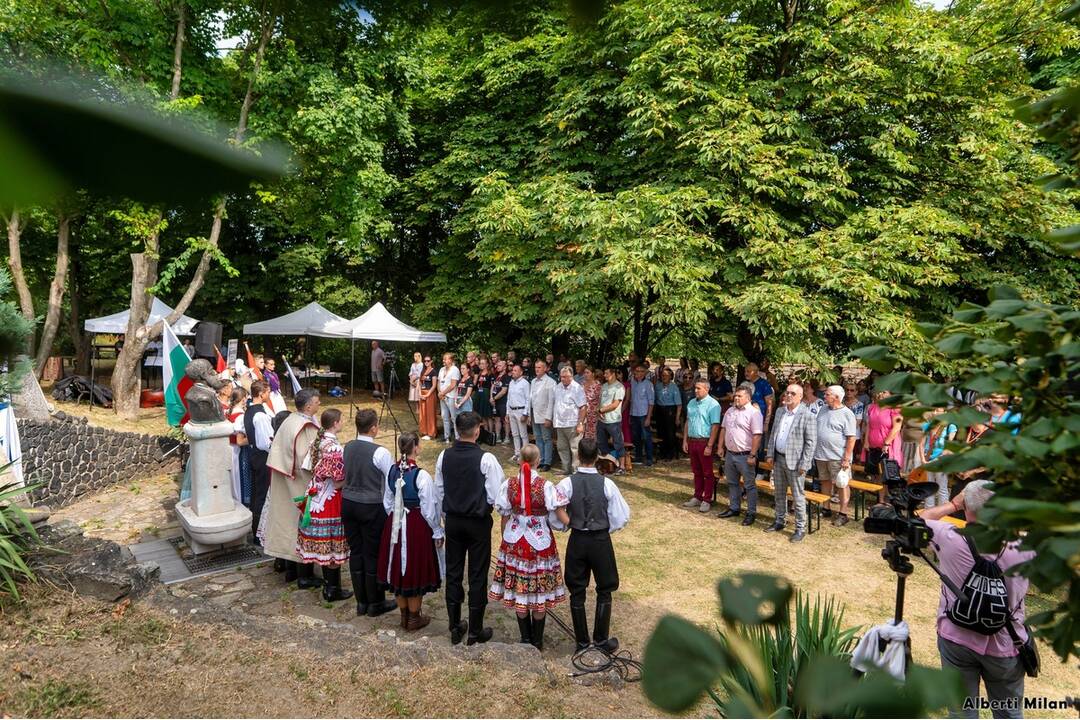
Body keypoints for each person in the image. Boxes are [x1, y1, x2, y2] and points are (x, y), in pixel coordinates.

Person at [920, 481, 1035, 719]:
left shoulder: (948, 537)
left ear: (966, 507)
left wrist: (953, 504)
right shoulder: (1026, 550)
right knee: (1009, 713)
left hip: (956, 639)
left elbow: (921, 518)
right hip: (1004, 644)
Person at [552, 437, 631, 652]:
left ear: (578, 456)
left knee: (577, 590)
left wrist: (570, 524)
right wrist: (606, 528)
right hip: (599, 540)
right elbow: (621, 516)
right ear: (597, 457)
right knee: (604, 589)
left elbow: (554, 508)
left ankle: (582, 642)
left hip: (578, 539)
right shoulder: (607, 484)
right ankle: (601, 640)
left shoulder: (567, 483)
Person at [435, 411, 505, 645]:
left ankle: (456, 625)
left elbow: (439, 491)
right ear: (477, 431)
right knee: (477, 574)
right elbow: (496, 495)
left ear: (457, 431)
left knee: (454, 572)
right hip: (476, 522)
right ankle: (474, 629)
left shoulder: (444, 456)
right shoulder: (486, 459)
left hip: (454, 520)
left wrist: (444, 515)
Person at [488, 443, 567, 650]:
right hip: (540, 543)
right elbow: (556, 517)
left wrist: (505, 539)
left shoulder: (510, 484)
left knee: (520, 591)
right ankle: (537, 641)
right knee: (539, 591)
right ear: (538, 461)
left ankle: (525, 639)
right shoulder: (545, 486)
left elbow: (504, 514)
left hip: (515, 541)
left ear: (520, 460)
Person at [378, 431, 442, 631]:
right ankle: (413, 618)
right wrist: (437, 531)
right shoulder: (421, 475)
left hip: (394, 524)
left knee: (398, 565)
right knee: (413, 567)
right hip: (415, 525)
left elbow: (387, 501)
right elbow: (429, 508)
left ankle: (404, 615)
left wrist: (395, 517)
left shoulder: (391, 471)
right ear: (415, 447)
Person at [341, 409, 397, 618]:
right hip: (370, 505)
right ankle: (375, 602)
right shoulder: (380, 452)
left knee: (356, 551)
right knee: (372, 553)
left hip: (348, 502)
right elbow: (391, 479)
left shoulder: (348, 446)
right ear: (373, 428)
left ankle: (361, 602)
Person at [265, 388, 323, 588]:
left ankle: (290, 570)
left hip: (283, 480)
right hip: (300, 482)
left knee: (287, 523)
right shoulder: (306, 427)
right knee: (303, 525)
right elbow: (309, 460)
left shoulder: (288, 421)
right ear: (308, 406)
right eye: (317, 402)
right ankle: (305, 576)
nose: (319, 405)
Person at [295, 409, 353, 602]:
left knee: (321, 541)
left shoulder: (316, 441)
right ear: (336, 423)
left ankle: (319, 582)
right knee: (332, 546)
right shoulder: (334, 448)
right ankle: (332, 590)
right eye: (342, 420)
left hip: (314, 494)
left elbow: (308, 467)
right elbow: (337, 482)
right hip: (329, 498)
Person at [765, 384, 817, 542]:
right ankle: (780, 520)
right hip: (779, 459)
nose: (788, 395)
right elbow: (774, 433)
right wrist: (770, 454)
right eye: (786, 392)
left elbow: (811, 442)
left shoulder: (807, 415)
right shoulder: (781, 411)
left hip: (796, 463)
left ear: (800, 397)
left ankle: (800, 528)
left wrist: (804, 464)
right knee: (779, 493)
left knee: (798, 496)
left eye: (792, 393)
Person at [716, 386, 763, 525]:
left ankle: (751, 512)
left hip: (745, 455)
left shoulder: (753, 413)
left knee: (749, 486)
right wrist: (720, 446)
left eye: (739, 396)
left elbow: (757, 435)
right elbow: (724, 429)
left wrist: (752, 455)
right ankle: (734, 508)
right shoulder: (730, 411)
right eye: (735, 396)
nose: (736, 398)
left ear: (748, 398)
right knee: (732, 482)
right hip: (730, 454)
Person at [814, 385, 858, 526]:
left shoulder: (847, 414)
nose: (824, 396)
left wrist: (846, 458)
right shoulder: (823, 409)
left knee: (842, 484)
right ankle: (826, 508)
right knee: (825, 481)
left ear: (837, 397)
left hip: (838, 456)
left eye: (827, 395)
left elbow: (851, 438)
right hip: (821, 454)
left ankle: (843, 513)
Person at [681, 378, 721, 512]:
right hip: (692, 440)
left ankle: (707, 499)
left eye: (699, 388)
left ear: (707, 389)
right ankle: (697, 496)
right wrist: (685, 440)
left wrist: (710, 445)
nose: (695, 390)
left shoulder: (713, 404)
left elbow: (715, 426)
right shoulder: (691, 403)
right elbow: (688, 421)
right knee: (696, 471)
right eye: (695, 388)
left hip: (704, 441)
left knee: (707, 472)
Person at [244, 381, 275, 540]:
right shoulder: (260, 415)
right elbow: (265, 442)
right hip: (263, 457)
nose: (269, 395)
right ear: (261, 393)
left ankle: (258, 530)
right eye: (268, 392)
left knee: (258, 492)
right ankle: (259, 533)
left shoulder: (249, 411)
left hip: (254, 455)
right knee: (262, 494)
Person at [863, 389, 904, 487]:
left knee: (886, 472)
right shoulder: (872, 407)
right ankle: (880, 499)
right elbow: (869, 425)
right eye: (879, 391)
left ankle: (887, 498)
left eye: (884, 392)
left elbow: (897, 427)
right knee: (876, 472)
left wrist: (887, 443)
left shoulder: (895, 409)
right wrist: (866, 441)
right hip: (873, 444)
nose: (880, 394)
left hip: (888, 446)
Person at [918, 407, 957, 507]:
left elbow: (949, 446)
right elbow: (921, 444)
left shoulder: (950, 426)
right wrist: (923, 460)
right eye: (934, 410)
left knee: (942, 488)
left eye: (938, 410)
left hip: (941, 461)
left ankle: (942, 514)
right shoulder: (927, 425)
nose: (935, 412)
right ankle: (928, 513)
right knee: (928, 488)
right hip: (928, 460)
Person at [552, 366, 587, 475]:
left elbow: (583, 407)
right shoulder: (558, 387)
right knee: (562, 448)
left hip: (573, 424)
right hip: (560, 423)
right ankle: (565, 469)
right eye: (561, 377)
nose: (562, 379)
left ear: (571, 376)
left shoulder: (577, 388)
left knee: (575, 448)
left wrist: (580, 423)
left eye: (565, 377)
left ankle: (575, 470)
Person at [596, 367, 626, 472]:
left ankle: (622, 466)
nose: (604, 375)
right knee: (601, 443)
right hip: (602, 420)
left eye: (606, 373)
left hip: (613, 421)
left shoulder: (619, 387)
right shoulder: (604, 386)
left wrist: (601, 410)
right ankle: (607, 464)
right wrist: (599, 411)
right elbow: (600, 401)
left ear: (613, 374)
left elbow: (615, 404)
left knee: (618, 443)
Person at [530, 359, 557, 471]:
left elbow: (551, 401)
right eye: (536, 367)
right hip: (534, 413)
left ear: (545, 368)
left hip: (544, 415)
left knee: (547, 438)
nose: (537, 369)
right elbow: (530, 398)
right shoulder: (533, 381)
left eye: (539, 367)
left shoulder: (551, 382)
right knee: (538, 438)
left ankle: (547, 462)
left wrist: (548, 418)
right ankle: (540, 460)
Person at [227, 387, 251, 507]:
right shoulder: (240, 416)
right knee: (240, 477)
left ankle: (235, 499)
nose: (247, 399)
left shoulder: (229, 412)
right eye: (246, 397)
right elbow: (240, 441)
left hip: (230, 448)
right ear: (242, 399)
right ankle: (241, 502)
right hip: (238, 450)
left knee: (233, 478)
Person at [629, 365, 655, 467]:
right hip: (634, 413)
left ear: (644, 373)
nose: (638, 373)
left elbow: (651, 402)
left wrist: (649, 417)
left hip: (644, 414)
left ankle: (649, 459)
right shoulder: (632, 382)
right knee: (636, 437)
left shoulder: (648, 384)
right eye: (637, 371)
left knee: (646, 437)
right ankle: (638, 457)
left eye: (641, 371)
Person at [653, 367, 681, 461]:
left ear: (671, 377)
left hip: (670, 410)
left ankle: (671, 453)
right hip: (660, 409)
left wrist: (677, 417)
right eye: (663, 375)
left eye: (666, 375)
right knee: (661, 432)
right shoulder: (658, 385)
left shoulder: (674, 387)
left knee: (670, 433)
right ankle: (662, 452)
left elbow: (679, 404)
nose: (664, 377)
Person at [506, 364, 532, 461]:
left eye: (515, 370)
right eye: (513, 370)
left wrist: (525, 413)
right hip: (512, 410)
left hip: (520, 411)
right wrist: (507, 412)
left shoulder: (525, 383)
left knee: (523, 435)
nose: (513, 372)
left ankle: (525, 455)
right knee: (515, 434)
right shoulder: (511, 383)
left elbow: (528, 399)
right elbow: (509, 398)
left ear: (521, 372)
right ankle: (517, 453)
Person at [437, 353, 461, 443]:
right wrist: (440, 393)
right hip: (442, 397)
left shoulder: (455, 370)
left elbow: (453, 385)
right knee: (444, 417)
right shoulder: (441, 369)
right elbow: (439, 382)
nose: (443, 361)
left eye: (445, 359)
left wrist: (443, 393)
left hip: (451, 396)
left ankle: (457, 437)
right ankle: (446, 436)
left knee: (454, 417)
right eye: (443, 359)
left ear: (450, 360)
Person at [473, 357, 494, 442]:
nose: (481, 365)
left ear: (487, 364)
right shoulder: (480, 374)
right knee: (482, 416)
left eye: (483, 363)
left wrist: (491, 396)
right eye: (480, 363)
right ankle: (485, 435)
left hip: (486, 394)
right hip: (479, 394)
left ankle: (491, 434)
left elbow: (492, 385)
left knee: (488, 415)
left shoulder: (490, 374)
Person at [491, 360, 511, 445]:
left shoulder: (507, 377)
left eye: (500, 365)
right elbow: (492, 386)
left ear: (505, 367)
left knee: (505, 420)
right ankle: (498, 436)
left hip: (503, 402)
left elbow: (504, 391)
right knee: (497, 419)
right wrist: (491, 397)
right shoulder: (496, 376)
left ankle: (507, 437)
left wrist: (494, 398)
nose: (497, 367)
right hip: (495, 402)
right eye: (497, 365)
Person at [417, 356, 438, 440]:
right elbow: (419, 383)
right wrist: (419, 393)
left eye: (428, 361)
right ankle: (424, 431)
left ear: (431, 361)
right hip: (422, 393)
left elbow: (434, 385)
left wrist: (427, 394)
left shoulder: (433, 371)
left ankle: (431, 433)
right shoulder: (423, 371)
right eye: (425, 361)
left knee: (430, 413)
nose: (426, 362)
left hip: (430, 394)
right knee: (423, 413)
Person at [619, 367, 634, 473]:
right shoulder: (614, 385)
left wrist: (621, 409)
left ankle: (627, 449)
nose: (618, 375)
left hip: (623, 410)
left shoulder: (627, 384)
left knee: (625, 427)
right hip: (614, 410)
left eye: (619, 373)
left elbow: (627, 399)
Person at [581, 366, 601, 442]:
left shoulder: (597, 385)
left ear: (592, 374)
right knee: (581, 434)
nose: (585, 374)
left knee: (591, 436)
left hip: (592, 414)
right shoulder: (582, 384)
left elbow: (599, 400)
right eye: (584, 373)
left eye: (587, 373)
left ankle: (591, 452)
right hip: (582, 413)